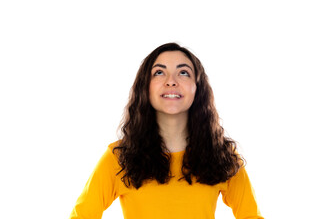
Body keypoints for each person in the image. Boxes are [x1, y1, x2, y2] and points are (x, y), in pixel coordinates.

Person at [69, 42, 264, 219]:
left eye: (184, 72)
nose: (171, 81)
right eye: (159, 73)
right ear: (146, 87)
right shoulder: (119, 158)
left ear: (198, 88)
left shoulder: (223, 156)